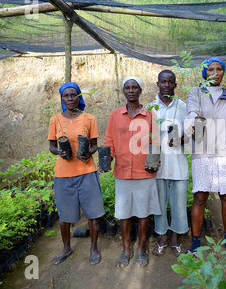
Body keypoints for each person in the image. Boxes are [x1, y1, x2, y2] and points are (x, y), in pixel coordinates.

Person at [185, 57, 226, 255]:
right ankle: (195, 242)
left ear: (223, 73)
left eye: (219, 69)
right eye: (211, 70)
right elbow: (191, 112)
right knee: (200, 197)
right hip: (203, 152)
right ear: (205, 73)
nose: (215, 73)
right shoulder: (196, 92)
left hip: (225, 154)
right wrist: (192, 123)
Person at [104, 76, 161, 267]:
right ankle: (126, 249)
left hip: (144, 171)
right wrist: (107, 160)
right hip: (122, 172)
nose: (131, 90)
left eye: (134, 87)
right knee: (124, 213)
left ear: (140, 91)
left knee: (143, 213)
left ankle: (142, 249)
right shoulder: (115, 114)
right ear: (123, 91)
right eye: (127, 88)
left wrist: (154, 161)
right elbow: (109, 140)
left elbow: (156, 140)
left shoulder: (150, 114)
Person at [48, 82, 105, 266]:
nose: (71, 98)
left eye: (74, 95)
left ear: (79, 97)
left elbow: (95, 144)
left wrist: (89, 152)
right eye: (67, 96)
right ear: (62, 98)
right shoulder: (55, 119)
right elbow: (51, 147)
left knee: (93, 213)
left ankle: (94, 248)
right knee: (65, 216)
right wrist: (59, 152)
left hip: (86, 171)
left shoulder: (89, 118)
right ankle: (66, 248)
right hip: (63, 174)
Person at [149, 70, 189, 257]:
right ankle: (162, 238)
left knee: (178, 204)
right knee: (159, 204)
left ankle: (175, 238)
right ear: (157, 83)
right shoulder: (150, 107)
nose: (166, 85)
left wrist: (182, 139)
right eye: (163, 81)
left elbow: (195, 133)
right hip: (157, 164)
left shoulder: (183, 107)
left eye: (170, 82)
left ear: (175, 84)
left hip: (178, 164)